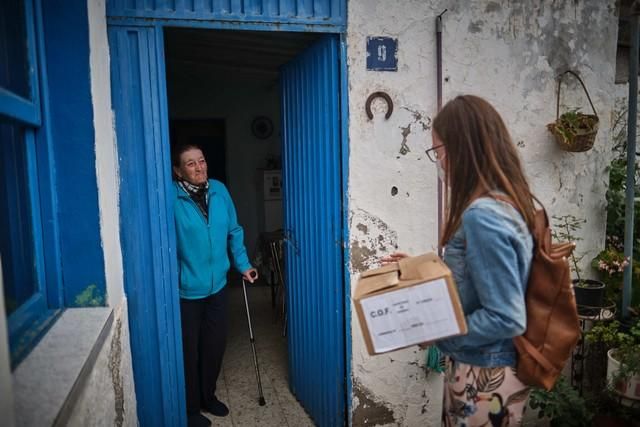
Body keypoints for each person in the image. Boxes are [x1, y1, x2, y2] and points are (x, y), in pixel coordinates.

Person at [385, 95, 535, 426]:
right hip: (482, 364)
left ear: (459, 150)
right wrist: (423, 270)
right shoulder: (502, 203)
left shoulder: (483, 215)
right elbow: (479, 282)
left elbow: (506, 317)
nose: (438, 161)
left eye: (437, 151)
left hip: (483, 374)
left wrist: (440, 334)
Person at [172, 143, 258, 427]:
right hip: (187, 291)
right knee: (189, 351)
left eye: (202, 160)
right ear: (178, 170)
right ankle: (190, 408)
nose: (199, 167)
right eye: (190, 163)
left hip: (218, 286)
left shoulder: (219, 190)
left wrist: (243, 264)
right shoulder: (171, 198)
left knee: (214, 346)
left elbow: (234, 230)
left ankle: (208, 396)